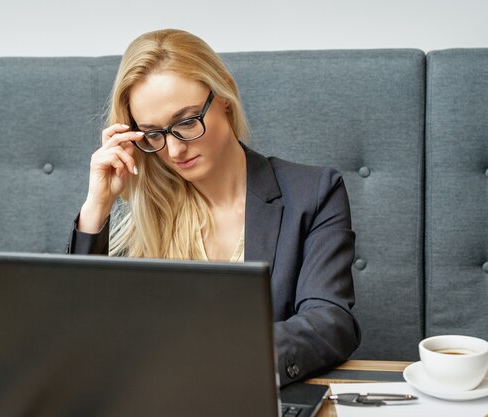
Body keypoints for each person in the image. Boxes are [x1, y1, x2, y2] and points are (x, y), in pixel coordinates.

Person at [66, 28, 360, 384]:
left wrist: (221, 357)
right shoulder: (148, 211)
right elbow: (81, 332)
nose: (173, 151)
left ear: (224, 95)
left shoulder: (313, 193)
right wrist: (97, 207)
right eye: (154, 134)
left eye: (187, 122)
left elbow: (330, 321)